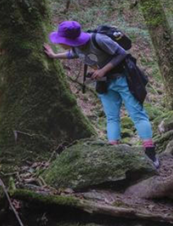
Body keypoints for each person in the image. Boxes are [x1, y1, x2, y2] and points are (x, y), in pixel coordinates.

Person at [44, 20, 159, 168]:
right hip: (105, 83)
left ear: (70, 40)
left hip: (124, 79)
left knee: (137, 114)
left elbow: (121, 53)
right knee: (111, 118)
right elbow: (72, 54)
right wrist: (54, 55)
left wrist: (102, 70)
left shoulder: (98, 39)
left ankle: (151, 153)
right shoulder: (76, 46)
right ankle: (114, 151)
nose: (59, 43)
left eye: (61, 41)